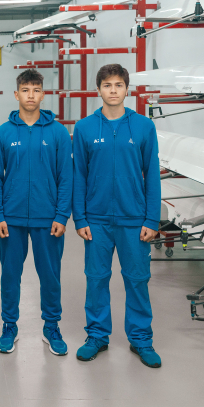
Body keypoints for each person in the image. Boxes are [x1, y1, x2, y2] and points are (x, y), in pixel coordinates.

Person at [72, 63, 162, 368]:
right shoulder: (84, 128)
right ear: (98, 89)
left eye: (118, 85)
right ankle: (97, 336)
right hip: (96, 220)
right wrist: (80, 218)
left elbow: (152, 176)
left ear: (127, 89)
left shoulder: (143, 127)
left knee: (137, 279)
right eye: (107, 85)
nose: (113, 90)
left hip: (133, 219)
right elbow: (79, 175)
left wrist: (151, 219)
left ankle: (141, 339)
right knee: (96, 279)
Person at [0, 69, 73, 356]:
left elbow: (66, 177)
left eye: (36, 90)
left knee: (50, 275)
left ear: (43, 94)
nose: (31, 95)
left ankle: (52, 326)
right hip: (11, 219)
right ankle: (9, 325)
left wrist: (61, 216)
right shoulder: (1, 133)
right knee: (10, 275)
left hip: (48, 218)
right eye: (25, 90)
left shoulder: (58, 133)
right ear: (16, 94)